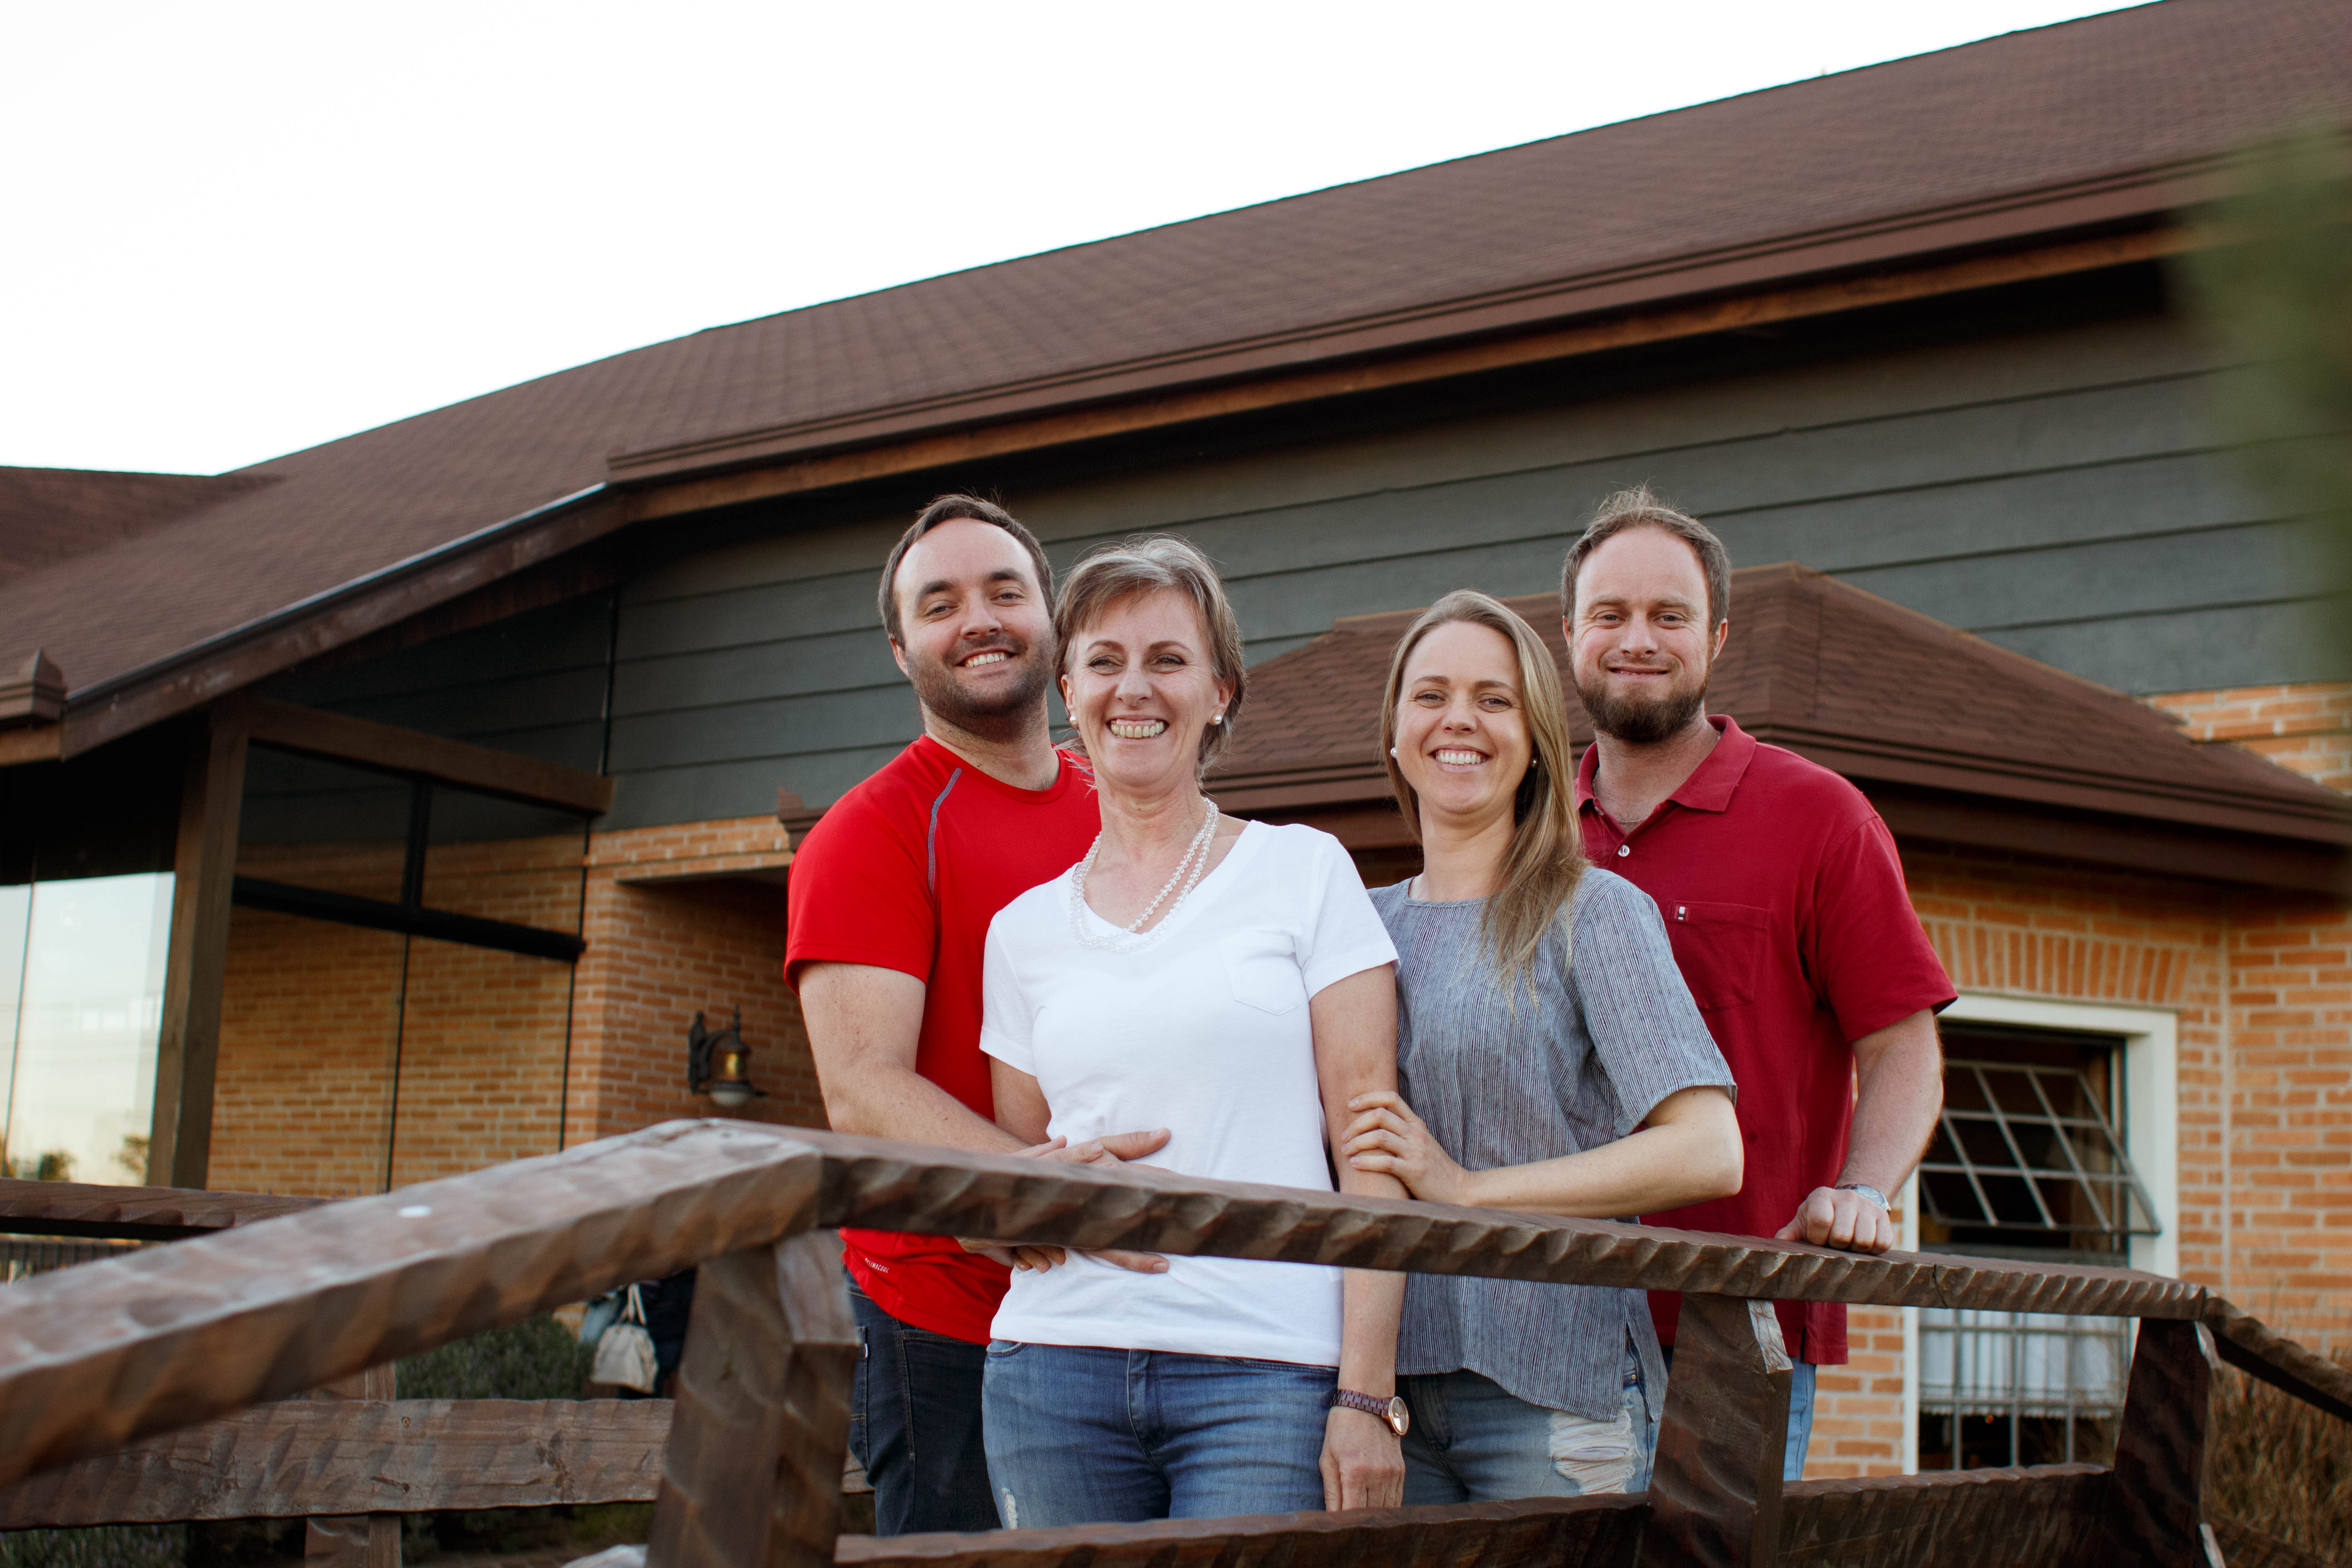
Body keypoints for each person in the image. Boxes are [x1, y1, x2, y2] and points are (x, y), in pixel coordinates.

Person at [977, 535, 1408, 1528]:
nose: (1134, 688)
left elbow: (1372, 1154)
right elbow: (1024, 1170)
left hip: (1266, 1369)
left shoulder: (1305, 872)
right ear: (1069, 695)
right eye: (1105, 661)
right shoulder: (1021, 932)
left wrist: (1365, 1393)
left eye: (1167, 660)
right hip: (1054, 1367)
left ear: (1220, 692)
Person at [785, 494, 1169, 1536]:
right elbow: (863, 1086)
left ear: (1052, 618)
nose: (980, 621)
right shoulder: (870, 834)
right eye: (941, 604)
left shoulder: (1125, 806)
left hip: (1136, 1301)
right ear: (901, 651)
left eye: (1005, 592)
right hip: (948, 1318)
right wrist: (1044, 1188)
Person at [1560, 487, 1955, 1482]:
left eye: (1669, 615)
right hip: (1541, 1320)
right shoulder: (1527, 828)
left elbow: (1902, 1045)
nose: (1637, 640)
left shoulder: (1821, 817)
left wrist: (1861, 1189)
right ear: (1569, 634)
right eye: (1610, 614)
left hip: (1737, 1329)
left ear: (1718, 637)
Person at [1336, 590, 1740, 1504]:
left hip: (1556, 1396)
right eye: (1431, 695)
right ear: (1395, 732)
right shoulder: (1357, 929)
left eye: (1495, 699)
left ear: (1534, 742)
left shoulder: (1592, 914)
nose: (1459, 720)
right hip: (1388, 1398)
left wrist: (1469, 1190)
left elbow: (1709, 1150)